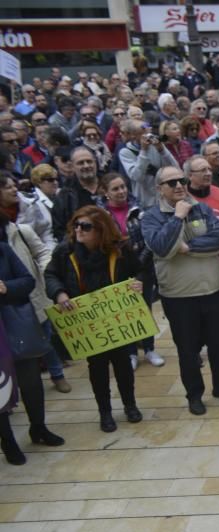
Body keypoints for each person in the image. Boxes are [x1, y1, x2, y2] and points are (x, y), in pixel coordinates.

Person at [140, 166, 219, 415]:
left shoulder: (202, 208)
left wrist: (187, 248)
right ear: (160, 189)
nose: (179, 185)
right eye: (171, 183)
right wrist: (177, 217)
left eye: (181, 180)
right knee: (188, 350)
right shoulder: (152, 217)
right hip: (179, 297)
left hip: (212, 290)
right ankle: (194, 395)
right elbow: (162, 247)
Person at [45, 206, 146, 431]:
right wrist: (59, 293)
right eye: (76, 225)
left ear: (101, 230)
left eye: (86, 226)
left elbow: (141, 270)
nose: (79, 230)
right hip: (87, 323)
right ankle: (105, 412)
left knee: (123, 365)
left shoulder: (120, 250)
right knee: (97, 368)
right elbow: (51, 274)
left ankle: (130, 405)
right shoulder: (65, 252)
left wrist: (138, 282)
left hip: (117, 320)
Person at [0, 214, 64, 464]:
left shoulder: (4, 250)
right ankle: (8, 443)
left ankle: (38, 428)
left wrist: (6, 288)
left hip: (15, 326)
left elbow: (27, 281)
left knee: (31, 382)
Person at [0, 172, 71, 394]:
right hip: (7, 298)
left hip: (31, 292)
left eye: (14, 186)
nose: (14, 190)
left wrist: (46, 272)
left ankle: (57, 374)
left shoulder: (21, 229)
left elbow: (42, 252)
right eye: (7, 187)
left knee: (44, 334)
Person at [96, 172, 163, 368]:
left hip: (143, 269)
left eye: (123, 187)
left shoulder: (139, 211)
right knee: (125, 312)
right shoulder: (100, 216)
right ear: (105, 192)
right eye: (115, 188)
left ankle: (149, 349)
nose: (121, 191)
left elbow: (149, 241)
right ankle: (131, 352)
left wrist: (139, 264)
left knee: (145, 308)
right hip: (116, 270)